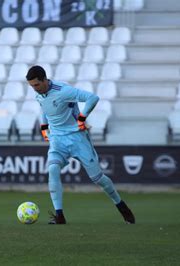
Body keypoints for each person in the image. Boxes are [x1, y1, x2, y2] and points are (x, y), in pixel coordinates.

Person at [25, 65, 135, 224]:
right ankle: (59, 215)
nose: (34, 89)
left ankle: (120, 205)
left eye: (36, 85)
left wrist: (82, 119)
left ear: (44, 79)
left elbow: (93, 98)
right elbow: (45, 109)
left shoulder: (64, 91)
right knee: (53, 169)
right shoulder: (39, 94)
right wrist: (44, 128)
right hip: (57, 139)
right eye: (31, 86)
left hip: (77, 138)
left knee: (98, 179)